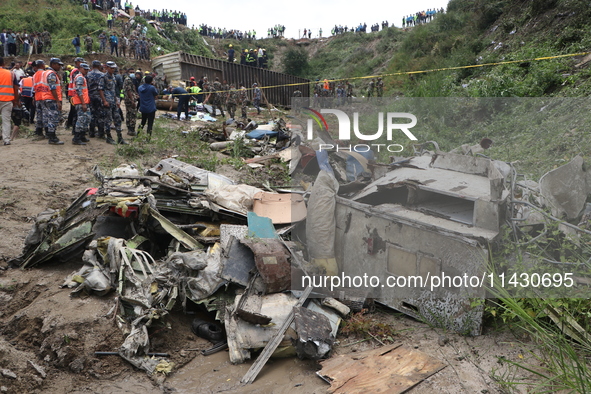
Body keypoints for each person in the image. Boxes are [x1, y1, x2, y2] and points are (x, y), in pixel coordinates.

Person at [36, 58, 64, 145]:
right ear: (53, 65)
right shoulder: (51, 74)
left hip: (44, 98)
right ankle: (52, 137)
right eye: (58, 65)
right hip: (51, 98)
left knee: (47, 117)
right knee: (53, 117)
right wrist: (57, 101)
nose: (60, 66)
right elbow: (53, 88)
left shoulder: (44, 73)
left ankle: (49, 134)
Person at [103, 61, 127, 144]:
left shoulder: (113, 77)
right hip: (107, 102)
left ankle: (120, 137)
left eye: (114, 68)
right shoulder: (104, 77)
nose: (113, 69)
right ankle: (109, 137)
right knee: (108, 120)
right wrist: (104, 101)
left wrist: (117, 100)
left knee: (118, 119)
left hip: (113, 101)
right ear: (107, 68)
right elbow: (100, 90)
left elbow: (113, 90)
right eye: (111, 68)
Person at [0, 57, 20, 146]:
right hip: (7, 100)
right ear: (3, 64)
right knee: (6, 120)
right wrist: (16, 100)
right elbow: (16, 88)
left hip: (6, 100)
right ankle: (6, 140)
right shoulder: (11, 74)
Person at [71, 63, 91, 145]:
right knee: (81, 120)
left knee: (86, 119)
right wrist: (83, 103)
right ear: (81, 68)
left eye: (87, 69)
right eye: (85, 69)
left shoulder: (82, 77)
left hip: (83, 102)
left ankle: (82, 136)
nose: (86, 71)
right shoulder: (79, 78)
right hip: (80, 102)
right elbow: (79, 91)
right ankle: (77, 138)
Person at [122, 67, 138, 135]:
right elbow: (128, 90)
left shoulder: (131, 79)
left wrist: (136, 94)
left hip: (128, 99)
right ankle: (131, 129)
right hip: (130, 100)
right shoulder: (128, 79)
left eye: (133, 72)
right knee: (132, 114)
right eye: (131, 72)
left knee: (129, 113)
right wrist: (132, 100)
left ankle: (129, 129)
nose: (132, 73)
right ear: (128, 72)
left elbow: (132, 89)